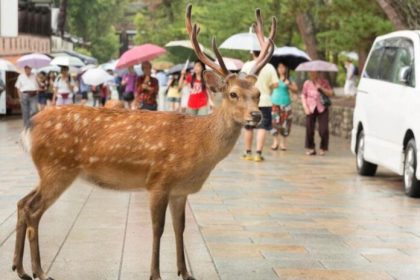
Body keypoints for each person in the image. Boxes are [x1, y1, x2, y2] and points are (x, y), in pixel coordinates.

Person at [241, 51, 278, 162]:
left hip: (250, 102)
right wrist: (267, 86)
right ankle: (258, 154)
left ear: (252, 52)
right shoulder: (269, 66)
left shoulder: (247, 65)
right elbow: (276, 84)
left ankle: (248, 153)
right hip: (265, 100)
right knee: (262, 127)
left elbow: (241, 82)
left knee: (249, 127)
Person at [301, 71, 334, 156]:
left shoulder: (324, 82)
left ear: (318, 73)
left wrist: (322, 88)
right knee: (309, 129)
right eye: (310, 72)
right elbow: (303, 95)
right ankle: (311, 148)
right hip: (310, 108)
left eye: (314, 72)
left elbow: (331, 93)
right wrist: (305, 107)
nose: (312, 74)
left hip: (322, 107)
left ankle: (323, 147)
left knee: (324, 130)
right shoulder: (307, 83)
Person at [270, 63, 298, 151]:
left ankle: (282, 143)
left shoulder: (289, 79)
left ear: (286, 69)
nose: (281, 69)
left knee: (285, 123)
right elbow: (269, 86)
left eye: (283, 67)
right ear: (277, 69)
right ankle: (275, 142)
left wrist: (288, 84)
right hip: (275, 103)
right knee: (274, 123)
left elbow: (295, 89)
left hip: (286, 104)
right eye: (279, 67)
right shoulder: (274, 78)